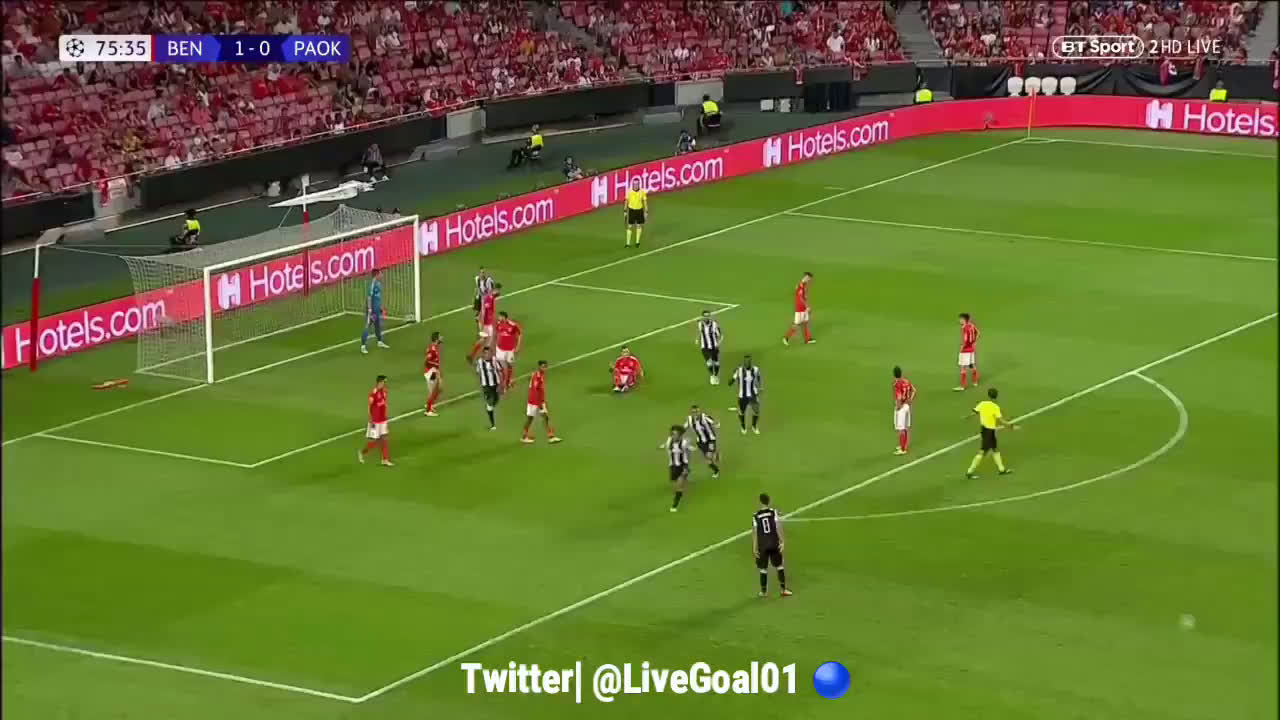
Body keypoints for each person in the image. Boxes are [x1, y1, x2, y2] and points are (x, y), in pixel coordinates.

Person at [967, 387, 1016, 478]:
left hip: (985, 430)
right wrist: (1011, 426)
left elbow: (975, 412)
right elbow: (1001, 420)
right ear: (996, 396)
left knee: (994, 449)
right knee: (983, 451)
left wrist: (967, 417)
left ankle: (1001, 469)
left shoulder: (982, 403)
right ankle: (970, 472)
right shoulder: (995, 407)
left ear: (988, 395)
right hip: (989, 431)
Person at [753, 493, 791, 597]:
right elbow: (778, 526)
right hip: (774, 543)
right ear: (769, 501)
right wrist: (782, 541)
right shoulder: (773, 512)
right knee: (779, 566)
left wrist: (754, 548)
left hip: (762, 545)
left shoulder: (755, 516)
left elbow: (755, 532)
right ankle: (783, 590)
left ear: (760, 502)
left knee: (763, 569)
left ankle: (763, 592)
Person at [521, 360, 562, 444]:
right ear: (539, 367)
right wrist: (539, 403)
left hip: (539, 400)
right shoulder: (538, 376)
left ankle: (551, 436)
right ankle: (524, 437)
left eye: (545, 367)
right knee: (530, 418)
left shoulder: (540, 374)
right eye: (543, 367)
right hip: (534, 401)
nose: (545, 368)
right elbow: (535, 390)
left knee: (545, 417)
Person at [358, 375, 394, 466]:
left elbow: (384, 404)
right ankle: (362, 453)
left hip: (383, 420)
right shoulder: (373, 393)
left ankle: (385, 459)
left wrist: (385, 415)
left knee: (385, 439)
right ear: (379, 382)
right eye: (384, 382)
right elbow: (369, 406)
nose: (385, 383)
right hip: (375, 421)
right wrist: (370, 418)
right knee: (375, 441)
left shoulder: (384, 391)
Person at [659, 425, 693, 511]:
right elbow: (666, 445)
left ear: (680, 435)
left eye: (675, 434)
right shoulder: (669, 440)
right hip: (673, 466)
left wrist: (686, 467)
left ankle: (675, 505)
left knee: (679, 485)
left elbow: (687, 455)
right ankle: (683, 485)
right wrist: (662, 446)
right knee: (675, 483)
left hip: (682, 466)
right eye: (672, 434)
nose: (673, 436)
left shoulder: (684, 443)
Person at [729, 354, 763, 435]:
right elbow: (731, 381)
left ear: (750, 361)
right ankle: (743, 426)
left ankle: (754, 426)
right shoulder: (739, 370)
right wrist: (732, 377)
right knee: (742, 412)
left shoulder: (756, 369)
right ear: (744, 362)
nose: (747, 363)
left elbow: (758, 377)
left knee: (756, 411)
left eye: (749, 361)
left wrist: (760, 387)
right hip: (742, 396)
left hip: (753, 394)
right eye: (746, 361)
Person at [468, 283, 502, 362]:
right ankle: (472, 356)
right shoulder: (489, 298)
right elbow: (484, 312)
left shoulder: (492, 298)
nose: (499, 292)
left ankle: (483, 357)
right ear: (495, 289)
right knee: (483, 340)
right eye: (498, 290)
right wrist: (482, 323)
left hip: (488, 323)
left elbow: (491, 312)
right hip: (486, 323)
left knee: (488, 340)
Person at [685, 404, 721, 478]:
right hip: (700, 442)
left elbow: (714, 422)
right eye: (693, 412)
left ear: (699, 411)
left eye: (697, 412)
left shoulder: (705, 417)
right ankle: (716, 470)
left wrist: (716, 424)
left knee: (709, 455)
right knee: (708, 459)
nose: (695, 414)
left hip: (711, 439)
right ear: (691, 413)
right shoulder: (689, 420)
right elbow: (683, 428)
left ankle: (715, 454)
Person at [360, 269, 390, 354]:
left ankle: (379, 342)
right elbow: (369, 297)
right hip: (372, 311)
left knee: (377, 326)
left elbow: (378, 298)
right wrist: (370, 309)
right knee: (368, 327)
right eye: (380, 274)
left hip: (376, 310)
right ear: (376, 275)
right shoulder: (372, 284)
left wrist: (381, 308)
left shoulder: (378, 284)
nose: (382, 275)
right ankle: (363, 346)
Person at [782, 271, 814, 345]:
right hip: (800, 310)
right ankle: (786, 338)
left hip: (804, 309)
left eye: (810, 279)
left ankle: (808, 339)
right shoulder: (800, 287)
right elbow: (800, 299)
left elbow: (804, 297)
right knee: (796, 325)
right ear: (806, 277)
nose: (809, 280)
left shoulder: (804, 285)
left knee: (806, 323)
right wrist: (807, 307)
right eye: (809, 278)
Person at [494, 311, 523, 390]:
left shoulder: (513, 325)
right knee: (500, 366)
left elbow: (520, 334)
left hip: (509, 350)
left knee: (509, 365)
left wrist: (518, 346)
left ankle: (509, 381)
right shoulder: (498, 323)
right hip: (500, 349)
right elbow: (496, 333)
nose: (498, 318)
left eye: (500, 316)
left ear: (504, 317)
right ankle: (501, 381)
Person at [475, 347, 503, 430]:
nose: (488, 355)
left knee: (496, 400)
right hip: (486, 386)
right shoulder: (479, 362)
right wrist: (482, 382)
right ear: (483, 354)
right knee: (490, 404)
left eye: (490, 353)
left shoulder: (495, 360)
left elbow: (500, 371)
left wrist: (501, 384)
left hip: (495, 384)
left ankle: (490, 406)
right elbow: (478, 372)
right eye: (486, 353)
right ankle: (492, 424)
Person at [892, 366, 916, 456]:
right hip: (907, 406)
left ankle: (903, 449)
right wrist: (910, 400)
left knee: (901, 428)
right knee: (905, 427)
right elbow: (914, 390)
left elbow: (899, 397)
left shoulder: (897, 384)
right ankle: (903, 445)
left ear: (894, 374)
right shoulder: (906, 381)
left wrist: (899, 407)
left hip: (902, 407)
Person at [954, 312, 981, 391]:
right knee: (972, 365)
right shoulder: (972, 325)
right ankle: (975, 382)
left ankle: (962, 386)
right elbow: (978, 333)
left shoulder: (964, 328)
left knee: (963, 367)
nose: (959, 320)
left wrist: (962, 347)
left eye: (960, 319)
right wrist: (974, 342)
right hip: (972, 349)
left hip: (965, 350)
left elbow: (965, 340)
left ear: (964, 319)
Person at [696, 309, 723, 385]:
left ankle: (716, 375)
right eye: (705, 316)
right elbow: (700, 332)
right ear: (702, 316)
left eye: (708, 316)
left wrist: (718, 343)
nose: (706, 317)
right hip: (704, 347)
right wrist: (697, 339)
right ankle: (712, 376)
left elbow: (720, 335)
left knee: (716, 363)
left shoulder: (714, 324)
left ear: (710, 316)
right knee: (709, 362)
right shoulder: (700, 324)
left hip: (714, 346)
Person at [423, 331, 443, 416]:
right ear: (436, 339)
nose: (441, 338)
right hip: (431, 372)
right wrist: (435, 366)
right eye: (440, 337)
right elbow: (426, 361)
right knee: (433, 391)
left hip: (434, 371)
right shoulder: (433, 349)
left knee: (439, 389)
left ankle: (430, 405)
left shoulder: (435, 347)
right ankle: (428, 410)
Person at [624, 176, 647, 248]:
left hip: (639, 210)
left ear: (639, 184)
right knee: (629, 226)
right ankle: (627, 243)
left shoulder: (642, 192)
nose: (636, 185)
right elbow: (626, 201)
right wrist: (625, 210)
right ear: (632, 184)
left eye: (637, 184)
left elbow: (644, 201)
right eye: (634, 184)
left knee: (639, 225)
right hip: (632, 210)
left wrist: (646, 211)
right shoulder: (629, 191)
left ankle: (637, 242)